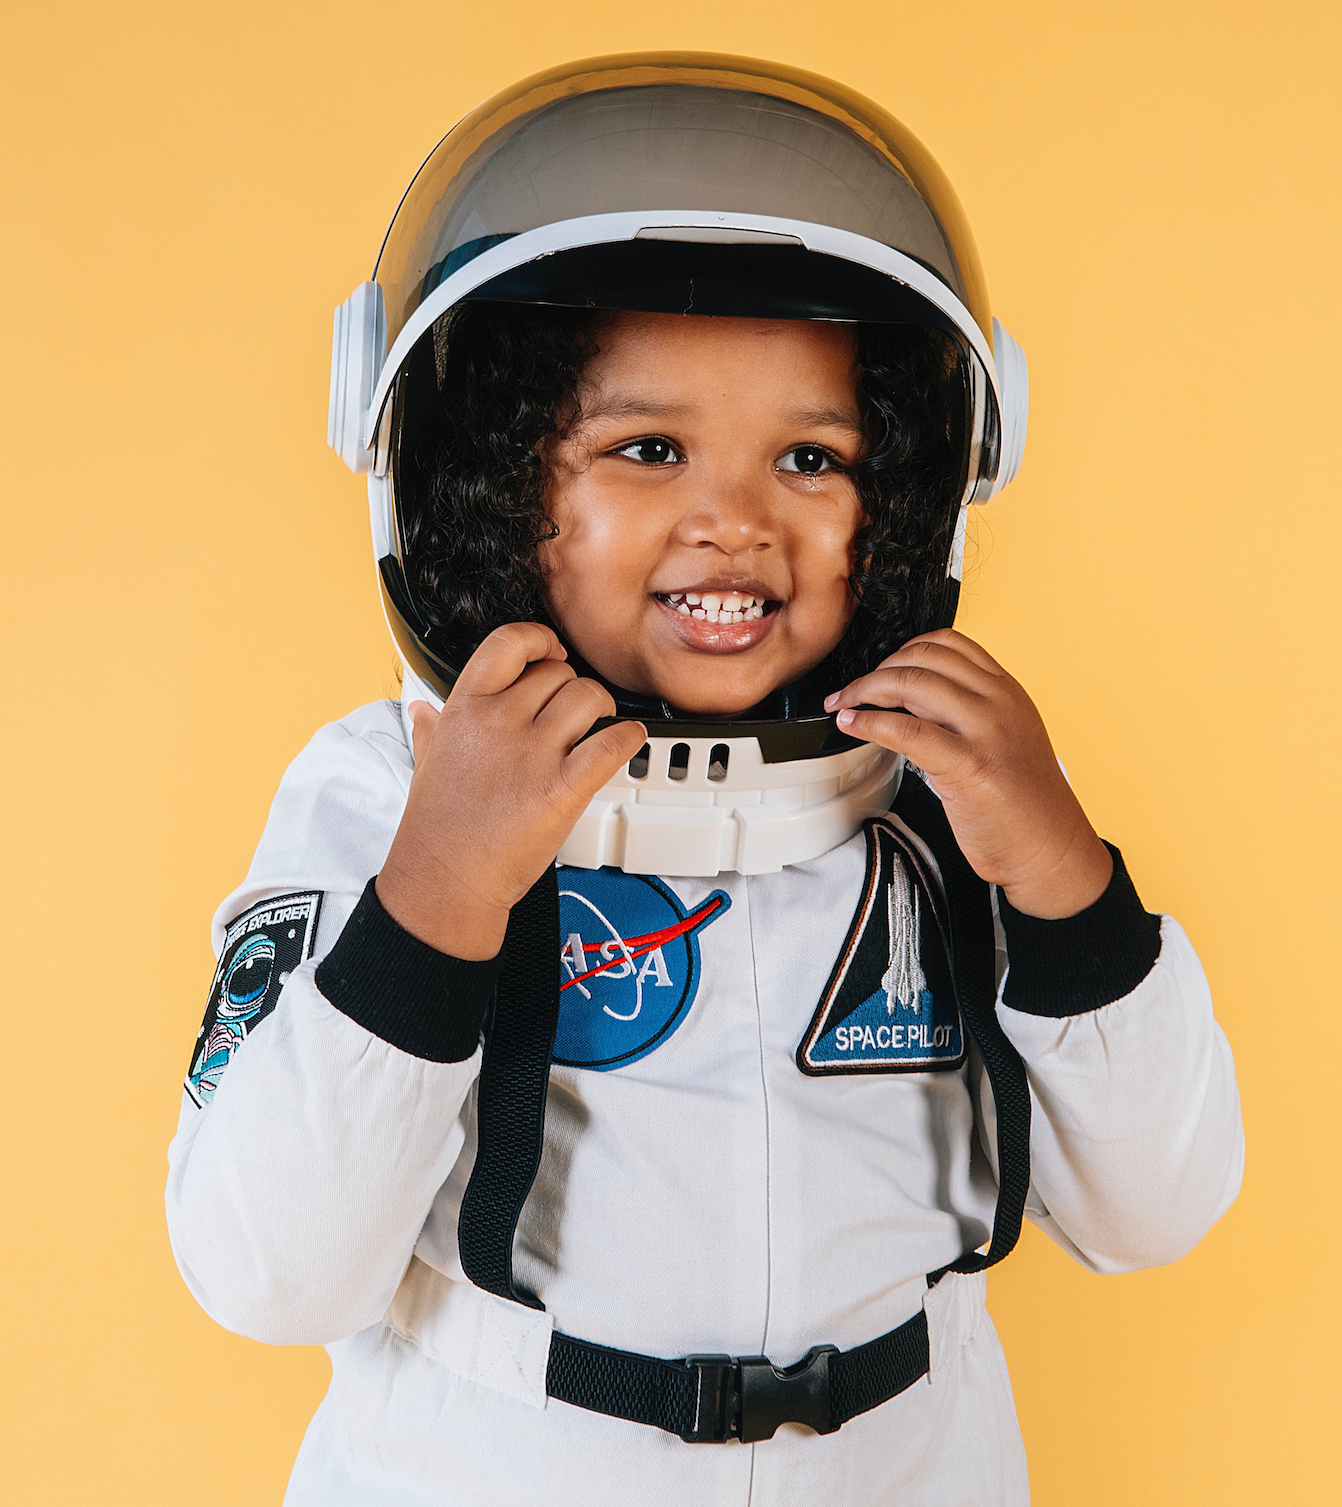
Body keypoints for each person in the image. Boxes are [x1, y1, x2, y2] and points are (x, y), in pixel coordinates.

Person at [166, 54, 1243, 1505]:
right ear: (491, 486)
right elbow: (268, 1270)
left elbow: (1153, 1210)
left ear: (912, 494)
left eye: (811, 456)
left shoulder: (942, 801)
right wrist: (438, 890)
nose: (733, 519)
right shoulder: (390, 789)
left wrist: (1061, 881)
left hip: (911, 1459)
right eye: (647, 447)